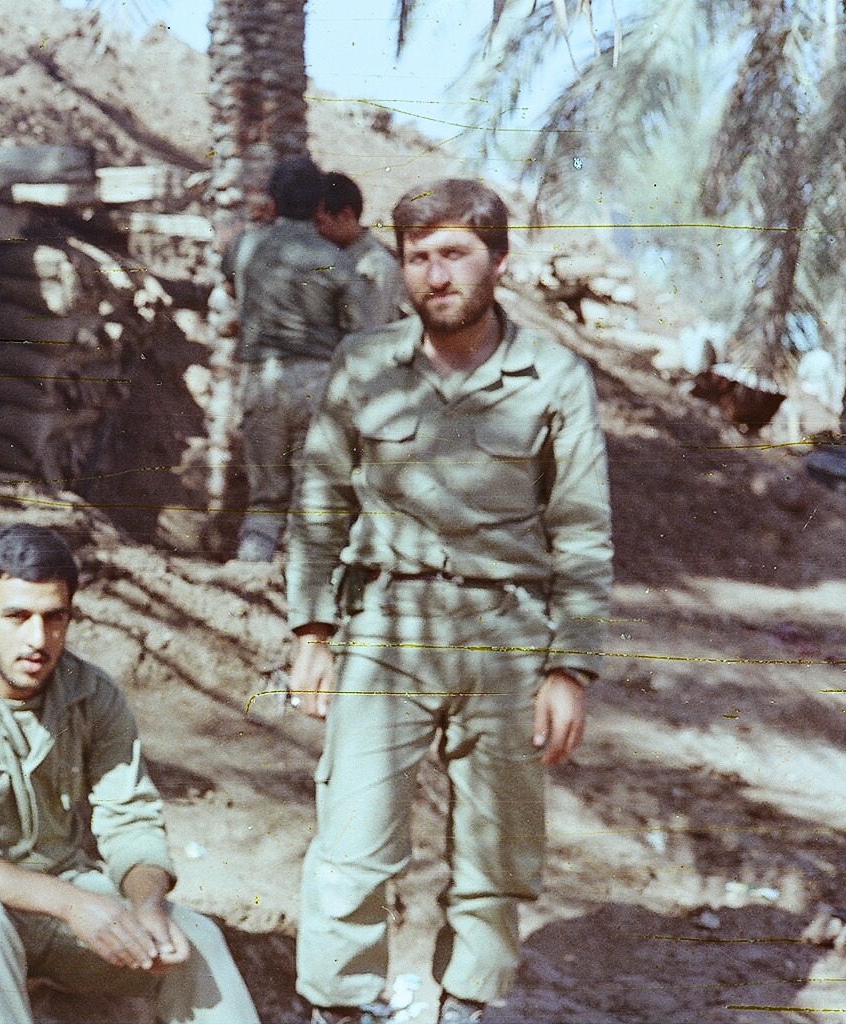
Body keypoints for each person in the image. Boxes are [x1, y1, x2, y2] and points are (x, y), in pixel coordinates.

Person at [285, 179, 613, 1024]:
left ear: (498, 261)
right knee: (352, 843)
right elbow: (320, 503)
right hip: (385, 630)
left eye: (455, 254)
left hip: (508, 637)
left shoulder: (554, 377)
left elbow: (581, 529)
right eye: (418, 257)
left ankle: (464, 1006)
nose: (436, 275)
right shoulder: (364, 365)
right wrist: (312, 629)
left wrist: (570, 668)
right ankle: (339, 1008)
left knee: (494, 857)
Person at [0, 524, 261, 1024]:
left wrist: (147, 906)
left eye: (54, 618)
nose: (37, 639)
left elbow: (130, 818)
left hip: (65, 899)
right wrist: (71, 904)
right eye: (16, 617)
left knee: (197, 938)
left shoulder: (92, 693)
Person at [223, 155, 376, 563]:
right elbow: (359, 333)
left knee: (265, 498)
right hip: (319, 385)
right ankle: (308, 584)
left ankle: (250, 574)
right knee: (314, 497)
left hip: (260, 380)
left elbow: (232, 287)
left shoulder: (243, 248)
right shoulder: (339, 261)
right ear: (318, 207)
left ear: (272, 203)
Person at [315, 172, 409, 329]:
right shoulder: (333, 256)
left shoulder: (375, 267)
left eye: (319, 222)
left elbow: (369, 333)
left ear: (345, 215)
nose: (315, 230)